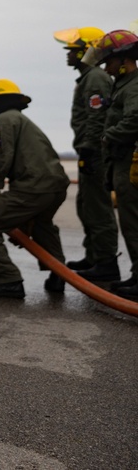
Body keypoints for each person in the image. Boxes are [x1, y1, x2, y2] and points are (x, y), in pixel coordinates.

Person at [0, 79, 70, 298]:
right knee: (42, 225)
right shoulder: (21, 119)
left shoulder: (4, 120)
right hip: (55, 186)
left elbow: (2, 157)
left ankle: (8, 280)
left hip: (33, 187)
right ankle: (59, 276)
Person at [52, 27, 120, 280]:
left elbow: (97, 119)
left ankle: (106, 264)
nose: (67, 55)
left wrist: (91, 150)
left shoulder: (95, 79)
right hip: (89, 151)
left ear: (86, 51)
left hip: (95, 152)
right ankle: (94, 257)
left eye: (72, 51)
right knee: (86, 206)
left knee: (98, 208)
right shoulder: (88, 78)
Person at [83, 30, 138, 300]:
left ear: (124, 59)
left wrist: (108, 136)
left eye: (109, 61)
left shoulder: (133, 85)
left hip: (129, 161)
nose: (106, 67)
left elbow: (135, 119)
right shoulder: (124, 84)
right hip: (121, 161)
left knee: (134, 222)